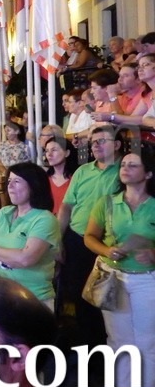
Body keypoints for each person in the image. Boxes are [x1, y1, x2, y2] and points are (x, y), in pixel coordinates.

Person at [83, 151, 155, 387]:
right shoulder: (107, 202)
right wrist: (106, 250)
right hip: (114, 279)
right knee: (119, 341)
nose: (125, 168)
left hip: (148, 280)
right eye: (123, 164)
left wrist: (152, 254)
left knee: (148, 342)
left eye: (133, 165)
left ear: (148, 173)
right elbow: (89, 236)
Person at [59, 124, 121, 348]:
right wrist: (58, 241)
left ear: (117, 144)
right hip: (77, 240)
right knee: (80, 296)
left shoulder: (125, 171)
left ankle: (110, 348)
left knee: (110, 300)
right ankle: (89, 350)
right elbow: (66, 207)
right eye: (93, 142)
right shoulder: (82, 171)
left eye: (102, 141)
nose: (96, 145)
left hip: (109, 245)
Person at [0, 163, 60, 309]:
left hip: (32, 299)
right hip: (0, 295)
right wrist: (10, 261)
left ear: (34, 185)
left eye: (17, 181)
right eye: (9, 181)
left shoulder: (44, 219)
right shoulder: (4, 212)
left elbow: (26, 259)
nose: (10, 186)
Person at [0, 122, 31, 207]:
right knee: (4, 204)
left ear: (16, 131)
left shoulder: (24, 147)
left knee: (19, 202)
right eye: (5, 131)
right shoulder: (2, 145)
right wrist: (6, 172)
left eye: (8, 130)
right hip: (3, 176)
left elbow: (26, 164)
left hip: (18, 178)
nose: (6, 133)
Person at [44, 136, 78, 215]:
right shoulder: (44, 179)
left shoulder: (76, 177)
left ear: (67, 153)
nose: (49, 154)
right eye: (47, 151)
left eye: (54, 150)